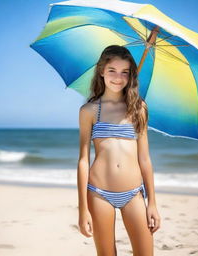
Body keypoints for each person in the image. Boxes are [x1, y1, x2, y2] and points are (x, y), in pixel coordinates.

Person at [77, 45, 160, 256]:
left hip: (133, 193)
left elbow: (145, 159)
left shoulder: (139, 108)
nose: (118, 77)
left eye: (125, 72)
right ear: (101, 71)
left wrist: (152, 203)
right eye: (112, 70)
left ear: (131, 75)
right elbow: (83, 160)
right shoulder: (89, 110)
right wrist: (82, 209)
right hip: (98, 193)